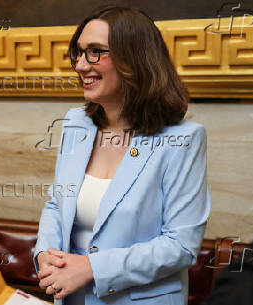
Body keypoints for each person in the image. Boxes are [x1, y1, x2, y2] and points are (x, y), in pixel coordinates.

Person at [32, 5, 211, 305]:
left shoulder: (182, 139)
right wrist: (44, 254)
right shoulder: (76, 123)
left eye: (95, 52)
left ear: (135, 59)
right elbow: (56, 203)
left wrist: (92, 268)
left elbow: (180, 245)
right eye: (78, 52)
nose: (80, 65)